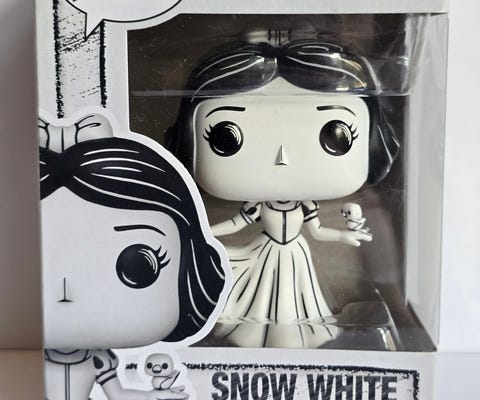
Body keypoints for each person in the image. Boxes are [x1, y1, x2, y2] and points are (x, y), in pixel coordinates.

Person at [168, 40, 399, 348]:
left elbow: (317, 231)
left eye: (335, 135)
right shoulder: (256, 204)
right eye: (226, 137)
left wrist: (344, 236)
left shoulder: (306, 204)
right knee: (258, 300)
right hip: (266, 252)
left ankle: (293, 336)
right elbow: (237, 223)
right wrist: (205, 233)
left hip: (294, 253)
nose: (282, 157)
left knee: (297, 300)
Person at [39, 113, 228, 399]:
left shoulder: (100, 360)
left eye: (139, 266)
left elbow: (119, 395)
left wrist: (154, 395)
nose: (66, 287)